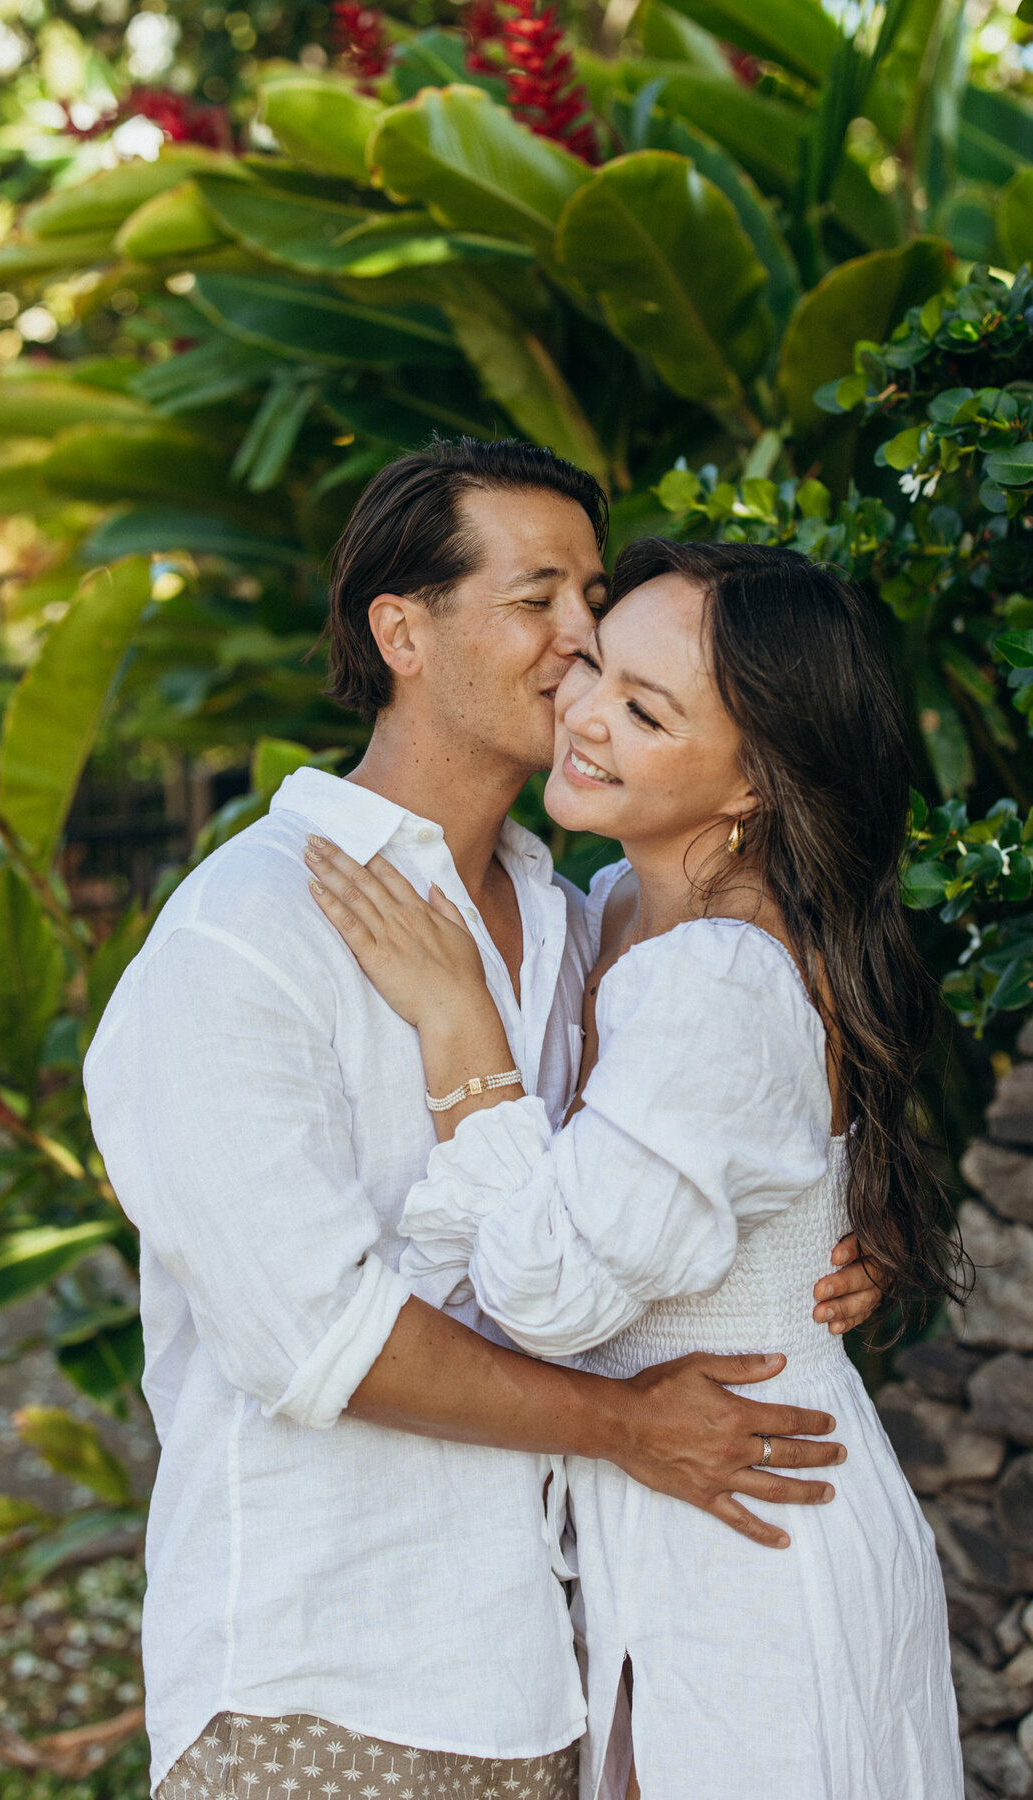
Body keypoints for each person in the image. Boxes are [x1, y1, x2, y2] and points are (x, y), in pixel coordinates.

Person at [84, 447, 882, 1800]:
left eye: (592, 594)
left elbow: (669, 1177)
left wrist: (836, 1248)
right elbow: (315, 1339)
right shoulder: (247, 932)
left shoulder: (578, 925)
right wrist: (627, 1424)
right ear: (403, 630)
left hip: (552, 1676)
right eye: (536, 601)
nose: (581, 637)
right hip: (323, 1681)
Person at [306, 536, 966, 1800]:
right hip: (670, 1511)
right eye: (600, 666)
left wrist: (461, 1029)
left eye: (648, 711)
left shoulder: (714, 974)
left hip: (758, 1524)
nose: (588, 714)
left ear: (754, 787)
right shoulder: (615, 904)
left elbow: (548, 1292)